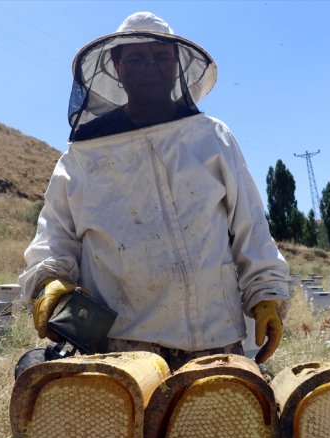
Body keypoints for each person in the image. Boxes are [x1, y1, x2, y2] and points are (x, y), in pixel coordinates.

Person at [19, 11, 291, 372]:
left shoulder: (211, 137)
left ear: (177, 63)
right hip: (122, 346)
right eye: (137, 58)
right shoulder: (83, 158)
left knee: (219, 428)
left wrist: (266, 294)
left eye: (161, 56)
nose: (151, 66)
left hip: (215, 339)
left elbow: (250, 226)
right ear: (117, 66)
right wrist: (49, 281)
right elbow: (55, 235)